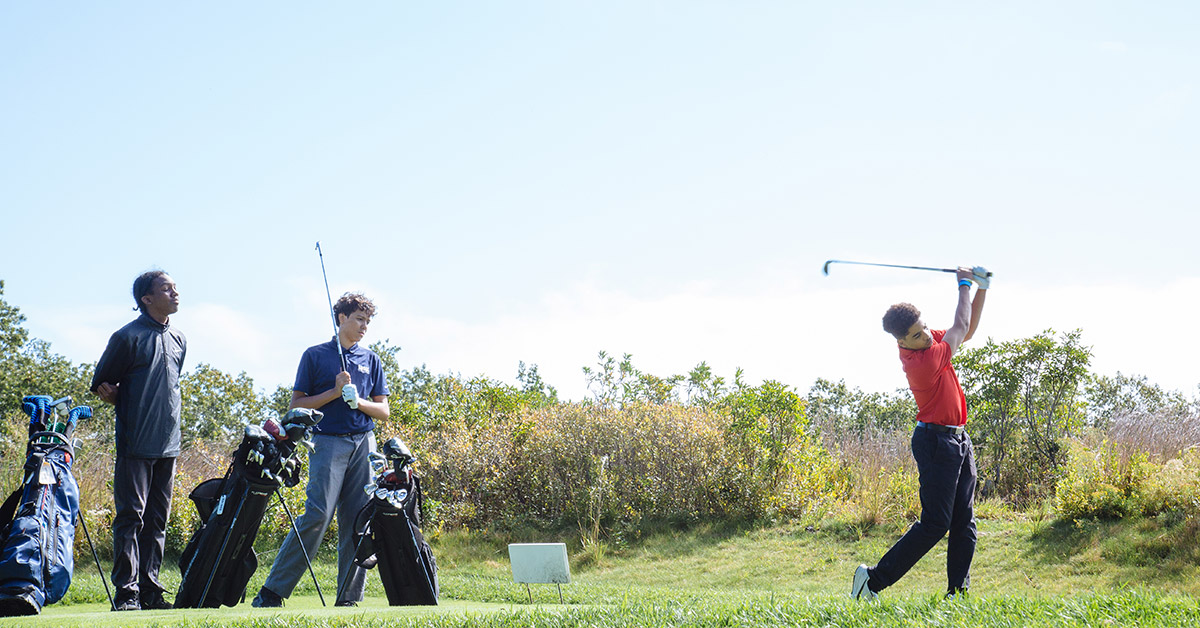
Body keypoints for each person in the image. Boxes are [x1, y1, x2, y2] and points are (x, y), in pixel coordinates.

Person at [851, 266, 989, 601]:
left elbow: (965, 331)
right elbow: (958, 326)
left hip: (958, 438)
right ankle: (871, 581)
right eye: (917, 334)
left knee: (964, 522)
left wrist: (982, 287)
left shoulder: (926, 341)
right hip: (935, 443)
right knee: (935, 523)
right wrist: (964, 285)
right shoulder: (923, 361)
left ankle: (958, 594)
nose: (926, 335)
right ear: (902, 342)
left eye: (925, 327)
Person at [253, 292, 390, 608]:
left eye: (368, 321)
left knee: (357, 521)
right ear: (341, 318)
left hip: (364, 444)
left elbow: (383, 411)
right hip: (327, 442)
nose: (364, 326)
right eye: (359, 319)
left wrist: (360, 402)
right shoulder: (314, 356)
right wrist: (334, 392)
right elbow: (296, 406)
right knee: (317, 515)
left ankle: (348, 599)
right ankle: (272, 592)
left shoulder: (372, 360)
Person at [91, 271, 185, 611]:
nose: (175, 292)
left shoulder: (179, 339)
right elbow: (102, 382)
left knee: (158, 521)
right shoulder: (126, 337)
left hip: (169, 444)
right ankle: (126, 593)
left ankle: (151, 590)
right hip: (135, 442)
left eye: (175, 287)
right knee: (131, 517)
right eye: (166, 288)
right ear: (146, 299)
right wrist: (116, 396)